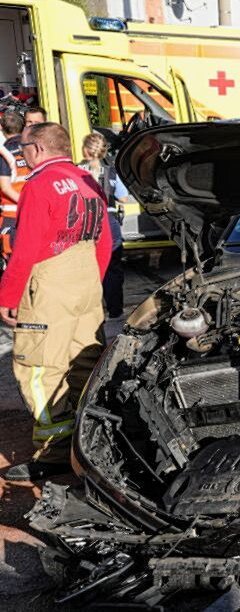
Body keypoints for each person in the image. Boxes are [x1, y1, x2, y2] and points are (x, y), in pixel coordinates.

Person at [0, 122, 112, 481]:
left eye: (24, 148)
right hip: (87, 280)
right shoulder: (88, 181)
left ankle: (54, 454)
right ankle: (90, 444)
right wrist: (92, 284)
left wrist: (9, 295)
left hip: (50, 281)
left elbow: (27, 247)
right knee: (85, 364)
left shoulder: (40, 184)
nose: (22, 154)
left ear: (38, 149)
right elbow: (104, 243)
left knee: (38, 367)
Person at [78, 133, 129, 318]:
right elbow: (123, 197)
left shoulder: (76, 170)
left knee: (85, 267)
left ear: (85, 150)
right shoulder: (112, 172)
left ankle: (90, 311)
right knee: (112, 267)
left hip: (85, 223)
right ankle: (115, 311)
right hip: (109, 222)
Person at [0, 111, 27, 264]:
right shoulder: (32, 150)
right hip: (34, 213)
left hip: (11, 217)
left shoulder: (5, 153)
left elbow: (4, 187)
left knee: (12, 264)